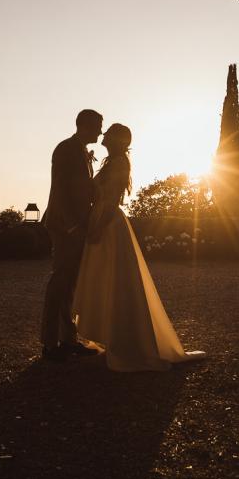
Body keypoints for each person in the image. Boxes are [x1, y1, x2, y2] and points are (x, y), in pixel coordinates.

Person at [72, 123, 205, 371]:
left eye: (108, 133)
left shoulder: (120, 163)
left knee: (116, 280)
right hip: (102, 218)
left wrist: (98, 226)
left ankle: (125, 341)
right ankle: (111, 335)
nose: (103, 135)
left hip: (108, 222)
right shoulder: (112, 162)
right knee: (105, 278)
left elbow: (111, 199)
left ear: (118, 140)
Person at [39, 108, 104, 362]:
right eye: (99, 125)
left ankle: (67, 339)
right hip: (66, 225)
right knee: (60, 280)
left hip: (76, 224)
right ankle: (50, 342)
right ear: (86, 125)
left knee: (70, 283)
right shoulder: (66, 149)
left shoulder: (80, 151)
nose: (101, 131)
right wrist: (71, 225)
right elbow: (62, 188)